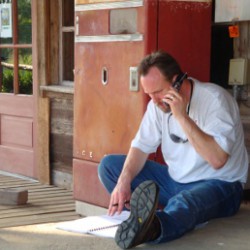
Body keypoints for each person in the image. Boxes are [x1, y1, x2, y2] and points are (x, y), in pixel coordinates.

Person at [98, 50, 248, 249]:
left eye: (158, 92)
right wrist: (123, 182)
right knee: (110, 167)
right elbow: (141, 146)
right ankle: (148, 217)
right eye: (149, 94)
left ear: (177, 82)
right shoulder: (157, 105)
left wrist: (181, 117)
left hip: (221, 183)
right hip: (175, 181)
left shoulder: (215, 100)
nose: (154, 101)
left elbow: (217, 159)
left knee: (187, 201)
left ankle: (155, 227)